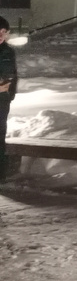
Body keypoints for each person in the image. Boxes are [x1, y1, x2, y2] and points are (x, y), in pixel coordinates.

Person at [0, 16, 17, 181]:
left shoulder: (8, 51)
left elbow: (13, 76)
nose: (0, 34)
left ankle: (1, 173)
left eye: (3, 32)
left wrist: (9, 95)